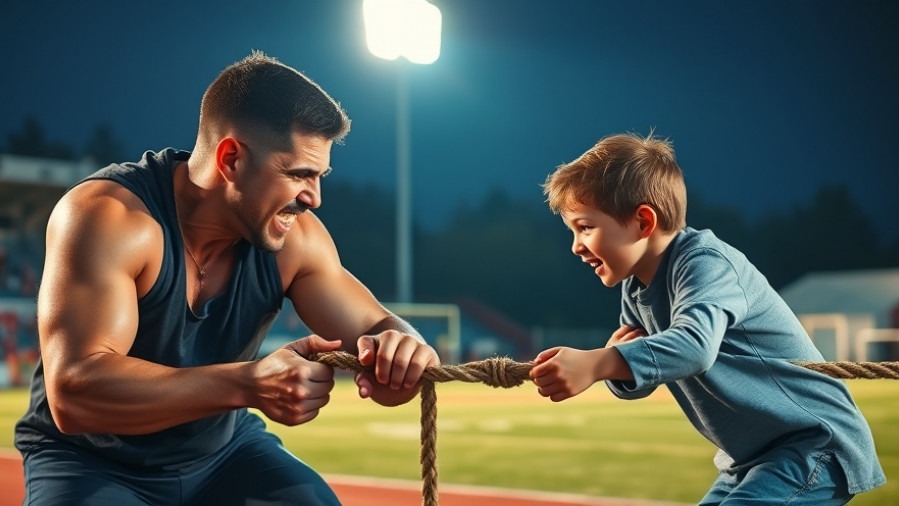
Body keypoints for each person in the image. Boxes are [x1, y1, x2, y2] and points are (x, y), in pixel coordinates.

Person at [14, 51, 440, 506]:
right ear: (231, 158)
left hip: (222, 454)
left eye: (320, 176)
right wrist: (248, 383)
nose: (314, 198)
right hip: (90, 462)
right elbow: (74, 395)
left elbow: (378, 329)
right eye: (299, 174)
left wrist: (404, 349)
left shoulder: (296, 239)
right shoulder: (111, 218)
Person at [530, 132, 885, 505]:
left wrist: (600, 362)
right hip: (748, 457)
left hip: (813, 443)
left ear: (643, 222)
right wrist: (615, 361)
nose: (576, 245)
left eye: (585, 227)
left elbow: (693, 347)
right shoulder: (636, 287)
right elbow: (648, 373)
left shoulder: (704, 263)